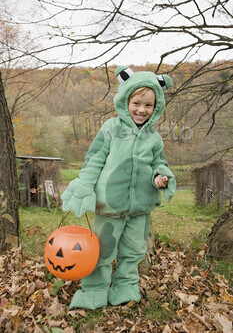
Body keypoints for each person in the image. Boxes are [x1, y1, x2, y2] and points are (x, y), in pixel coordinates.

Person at [61, 66, 176, 310]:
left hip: (140, 208)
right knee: (102, 252)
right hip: (109, 206)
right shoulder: (110, 129)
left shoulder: (154, 138)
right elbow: (94, 160)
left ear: (156, 108)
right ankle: (94, 290)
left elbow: (159, 164)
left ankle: (125, 286)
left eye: (148, 106)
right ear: (125, 100)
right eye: (136, 103)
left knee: (133, 251)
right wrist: (84, 185)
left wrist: (160, 177)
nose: (141, 110)